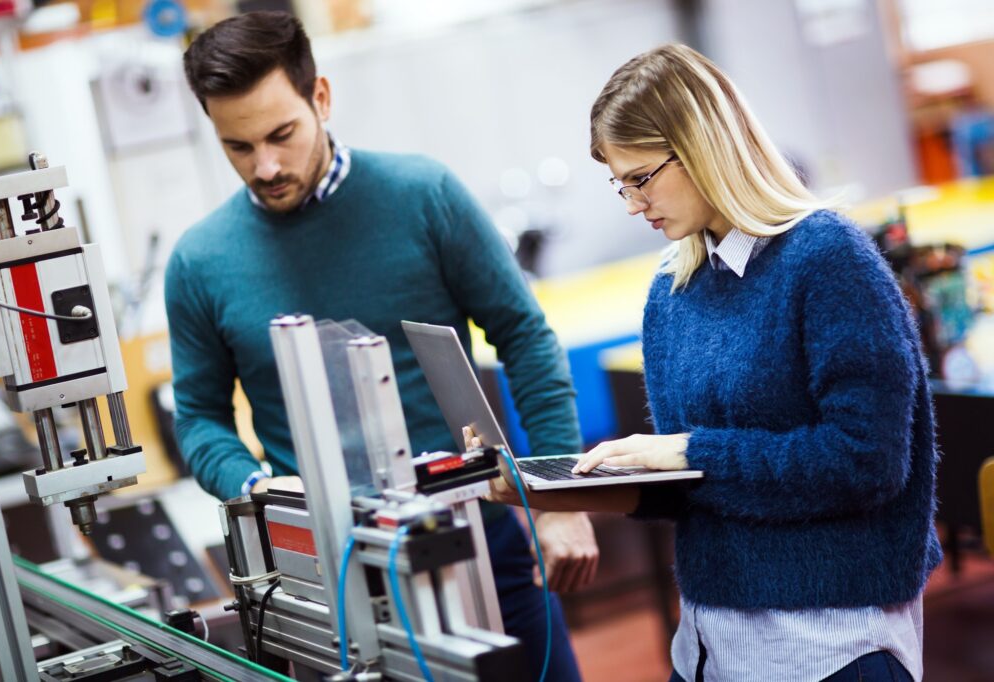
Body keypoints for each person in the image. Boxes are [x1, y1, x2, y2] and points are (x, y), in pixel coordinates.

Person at [166, 11, 596, 680]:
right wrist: (256, 486)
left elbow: (525, 336)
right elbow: (198, 418)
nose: (266, 165)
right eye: (238, 147)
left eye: (281, 134)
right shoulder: (199, 261)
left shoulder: (422, 196)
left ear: (322, 98)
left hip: (480, 547)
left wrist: (557, 498)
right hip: (324, 580)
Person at [491, 44, 942, 682]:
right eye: (619, 184)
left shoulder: (828, 260)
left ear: (703, 145)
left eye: (642, 177)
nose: (630, 203)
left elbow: (865, 463)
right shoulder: (671, 292)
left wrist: (685, 452)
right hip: (709, 645)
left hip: (829, 646)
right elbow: (698, 489)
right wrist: (566, 493)